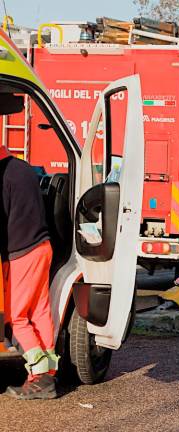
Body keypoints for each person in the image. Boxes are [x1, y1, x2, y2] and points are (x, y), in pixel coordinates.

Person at [0, 144, 57, 400]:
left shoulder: (3, 175)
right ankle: (50, 372)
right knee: (40, 310)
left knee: (17, 317)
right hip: (42, 246)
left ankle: (38, 374)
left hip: (21, 252)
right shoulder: (23, 168)